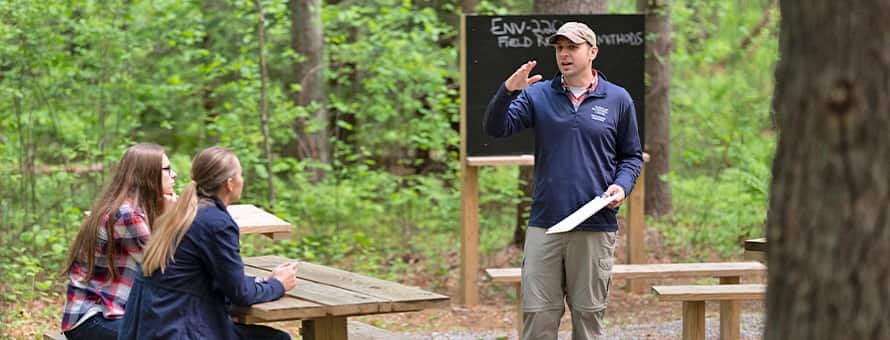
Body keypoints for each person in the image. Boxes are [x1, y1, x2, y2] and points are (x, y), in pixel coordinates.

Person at [483, 22, 643, 339]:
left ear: (592, 52)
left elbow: (632, 156)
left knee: (588, 321)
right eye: (559, 48)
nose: (564, 54)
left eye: (572, 47)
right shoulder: (538, 95)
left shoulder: (618, 99)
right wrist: (508, 91)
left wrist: (622, 186)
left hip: (595, 225)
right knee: (539, 320)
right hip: (546, 224)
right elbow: (495, 128)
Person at [119, 146, 298, 340]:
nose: (242, 180)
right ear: (230, 183)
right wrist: (278, 284)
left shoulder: (182, 211)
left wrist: (262, 283)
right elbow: (240, 294)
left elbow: (219, 280)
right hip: (177, 330)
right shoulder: (216, 222)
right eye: (240, 175)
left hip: (149, 328)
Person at [61, 143, 178, 340]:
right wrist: (170, 218)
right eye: (167, 169)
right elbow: (165, 268)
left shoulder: (131, 208)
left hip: (111, 314)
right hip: (93, 320)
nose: (174, 174)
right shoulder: (126, 214)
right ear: (147, 175)